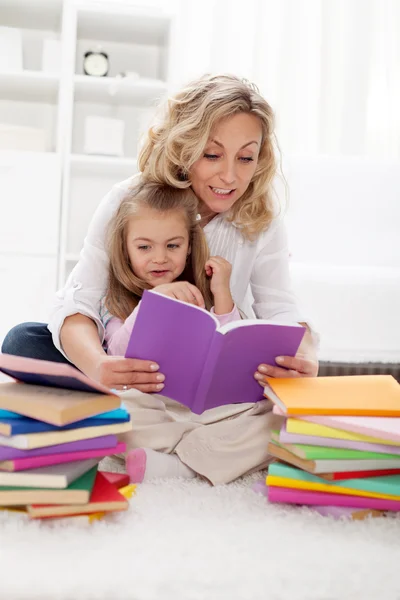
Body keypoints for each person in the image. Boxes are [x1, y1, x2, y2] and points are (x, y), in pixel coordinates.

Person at [2, 73, 319, 484]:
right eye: (212, 155)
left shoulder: (260, 220)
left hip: (211, 391)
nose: (229, 176)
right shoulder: (128, 201)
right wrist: (99, 365)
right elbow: (79, 299)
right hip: (134, 375)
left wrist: (304, 356)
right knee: (25, 342)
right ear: (184, 148)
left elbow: (281, 309)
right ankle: (181, 445)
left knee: (286, 417)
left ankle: (175, 460)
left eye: (245, 157)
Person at [101, 179, 240, 360]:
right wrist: (153, 303)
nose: (160, 259)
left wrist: (222, 292)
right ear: (125, 249)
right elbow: (117, 353)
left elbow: (230, 354)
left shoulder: (195, 297)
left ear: (189, 246)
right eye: (144, 247)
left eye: (173, 246)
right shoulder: (116, 303)